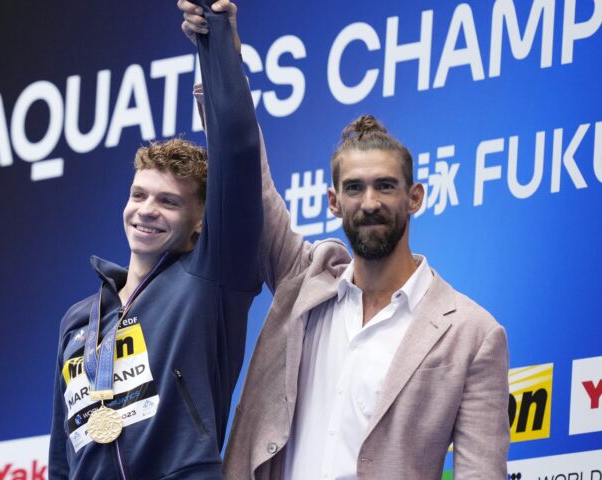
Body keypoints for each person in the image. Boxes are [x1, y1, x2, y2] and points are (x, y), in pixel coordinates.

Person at [179, 1, 511, 478]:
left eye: (385, 186)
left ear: (414, 197)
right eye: (354, 188)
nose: (370, 202)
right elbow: (249, 177)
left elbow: (482, 472)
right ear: (334, 202)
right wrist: (222, 60)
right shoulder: (303, 281)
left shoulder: (473, 334)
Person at [48, 2, 262, 478]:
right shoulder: (78, 320)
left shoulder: (210, 279)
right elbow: (62, 457)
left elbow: (238, 151)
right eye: (139, 194)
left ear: (200, 222)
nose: (146, 210)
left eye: (168, 202)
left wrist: (216, 43)